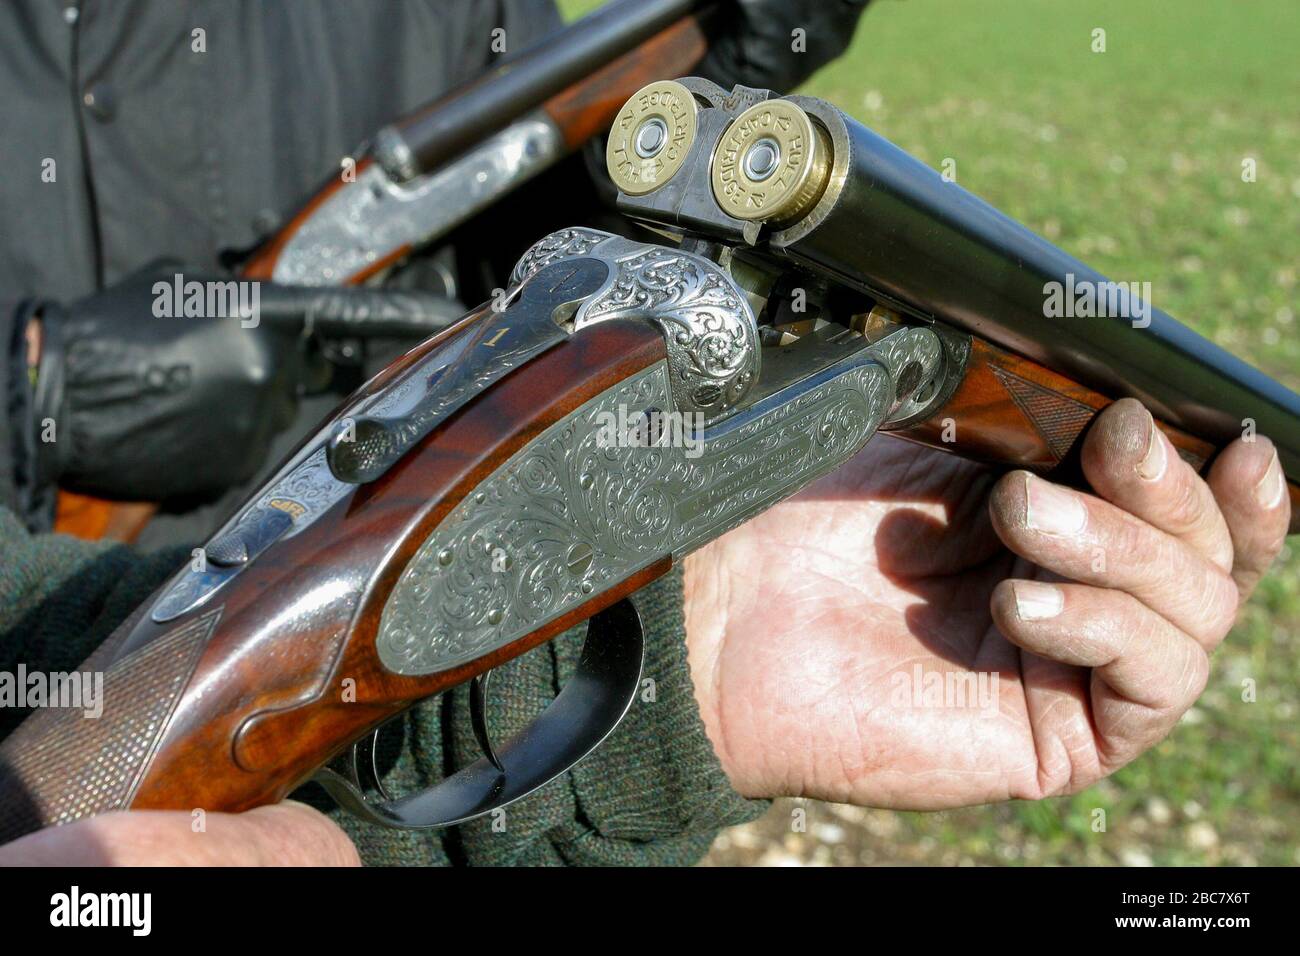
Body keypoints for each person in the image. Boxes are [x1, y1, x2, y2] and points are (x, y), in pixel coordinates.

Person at [0, 0, 1290, 865]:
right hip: (255, 577)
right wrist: (30, 389)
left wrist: (691, 634)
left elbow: (544, 214)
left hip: (397, 539)